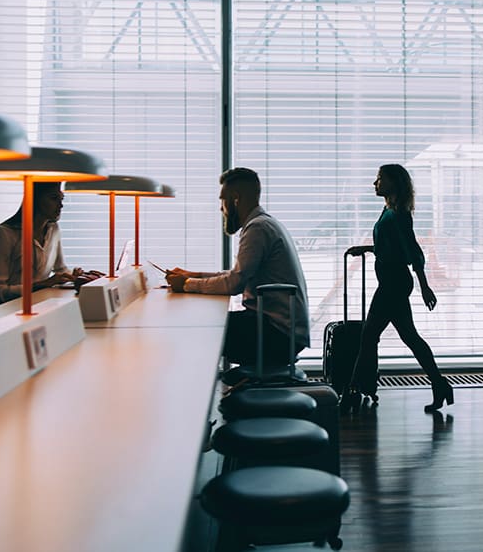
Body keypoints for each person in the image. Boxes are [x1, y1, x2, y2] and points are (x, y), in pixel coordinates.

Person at [165, 167, 310, 368]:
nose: (220, 208)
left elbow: (235, 284)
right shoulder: (263, 223)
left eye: (222, 200)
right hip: (279, 328)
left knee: (198, 328)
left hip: (277, 334)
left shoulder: (257, 228)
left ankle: (197, 393)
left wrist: (187, 284)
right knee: (204, 324)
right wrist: (192, 275)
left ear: (235, 199)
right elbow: (239, 274)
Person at [344, 163, 453, 413]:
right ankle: (439, 385)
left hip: (394, 283)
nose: (375, 183)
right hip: (392, 281)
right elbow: (391, 248)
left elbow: (412, 252)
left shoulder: (399, 213)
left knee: (369, 336)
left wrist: (425, 286)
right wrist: (368, 249)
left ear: (394, 182)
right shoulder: (389, 210)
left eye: (380, 178)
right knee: (407, 337)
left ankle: (352, 391)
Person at [0, 182, 101, 310]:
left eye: (61, 199)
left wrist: (74, 276)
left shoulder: (53, 229)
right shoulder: (4, 234)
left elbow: (60, 269)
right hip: (1, 310)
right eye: (53, 198)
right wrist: (42, 284)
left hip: (35, 304)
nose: (61, 205)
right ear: (35, 199)